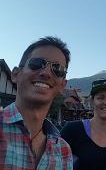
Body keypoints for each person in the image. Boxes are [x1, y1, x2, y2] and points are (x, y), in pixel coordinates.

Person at [0, 36, 73, 169]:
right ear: (16, 74)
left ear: (63, 85)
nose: (46, 73)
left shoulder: (63, 150)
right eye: (37, 63)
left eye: (58, 69)